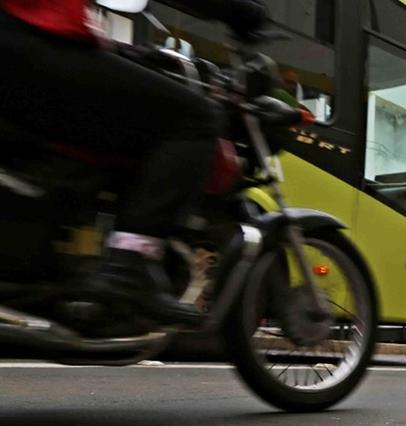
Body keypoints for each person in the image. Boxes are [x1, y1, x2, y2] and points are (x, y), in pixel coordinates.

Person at [0, 0, 269, 325]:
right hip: (24, 45)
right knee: (195, 119)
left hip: (20, 47)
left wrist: (124, 53)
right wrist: (235, 11)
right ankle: (129, 264)